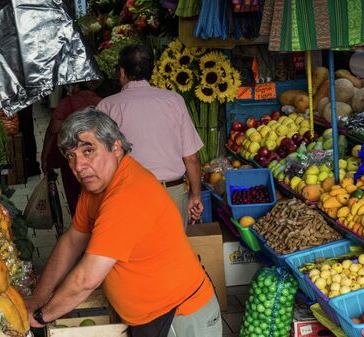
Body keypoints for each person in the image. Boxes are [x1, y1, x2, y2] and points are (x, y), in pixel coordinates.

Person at [25, 109, 221, 337]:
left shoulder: (127, 194)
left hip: (179, 317)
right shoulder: (96, 185)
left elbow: (87, 279)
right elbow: (71, 242)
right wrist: (38, 297)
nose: (79, 166)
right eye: (71, 156)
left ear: (115, 147)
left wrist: (41, 316)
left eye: (88, 151)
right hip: (149, 317)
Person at [96, 44, 204, 226]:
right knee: (170, 253)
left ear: (122, 72)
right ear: (151, 72)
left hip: (127, 194)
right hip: (171, 194)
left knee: (132, 253)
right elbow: (191, 158)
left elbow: (100, 160)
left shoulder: (107, 106)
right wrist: (195, 195)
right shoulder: (174, 100)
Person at [40, 82, 102, 215]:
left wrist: (44, 157)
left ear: (75, 87)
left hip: (72, 159)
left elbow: (52, 131)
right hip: (97, 157)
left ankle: (79, 220)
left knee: (73, 192)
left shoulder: (66, 103)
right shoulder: (101, 102)